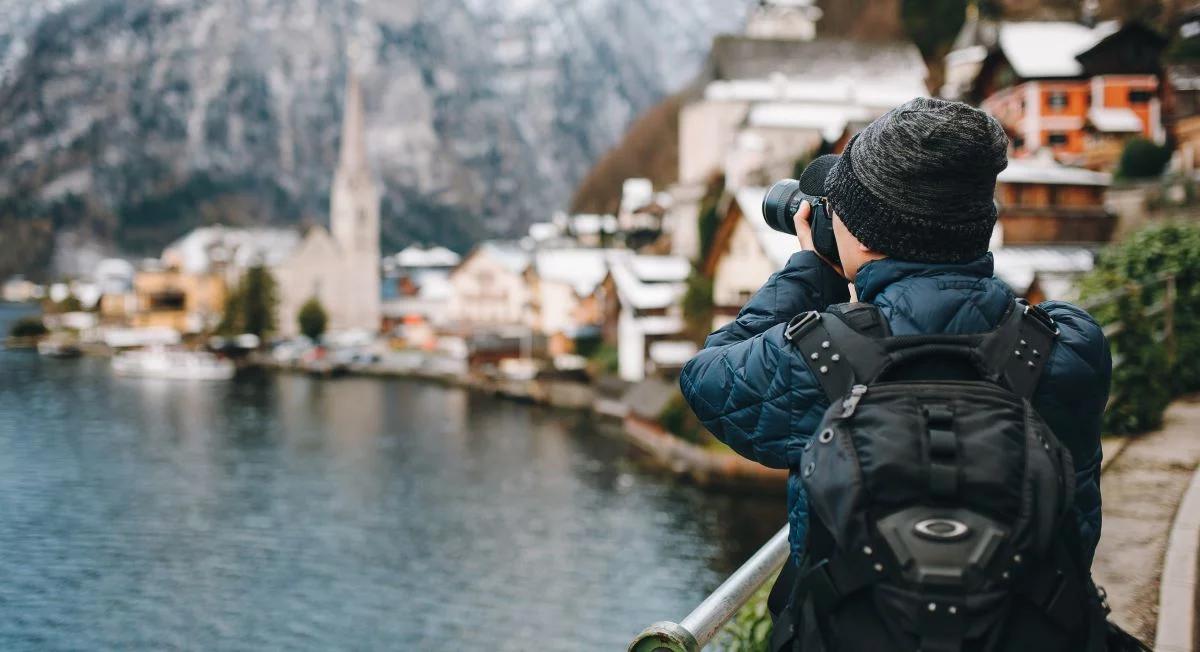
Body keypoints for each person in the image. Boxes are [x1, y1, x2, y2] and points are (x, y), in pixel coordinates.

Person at [678, 98, 1112, 648]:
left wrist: (811, 268)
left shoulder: (817, 357)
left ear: (857, 236)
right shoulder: (1068, 346)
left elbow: (706, 376)